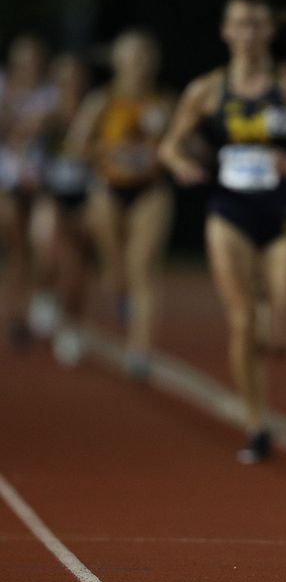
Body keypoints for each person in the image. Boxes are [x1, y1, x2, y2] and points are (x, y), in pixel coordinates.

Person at [159, 0, 286, 463]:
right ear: (226, 32)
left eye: (256, 24)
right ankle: (255, 421)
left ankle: (271, 326)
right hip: (230, 212)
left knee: (281, 335)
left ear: (268, 31)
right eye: (239, 24)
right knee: (242, 319)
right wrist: (181, 164)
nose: (248, 33)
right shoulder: (207, 90)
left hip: (283, 210)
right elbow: (169, 145)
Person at [67, 28, 175, 378]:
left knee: (141, 265)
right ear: (118, 61)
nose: (139, 64)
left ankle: (139, 351)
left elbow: (180, 146)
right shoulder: (102, 101)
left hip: (151, 190)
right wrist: (111, 151)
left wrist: (165, 154)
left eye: (146, 56)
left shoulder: (164, 103)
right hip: (108, 190)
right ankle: (118, 293)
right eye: (133, 57)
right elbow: (74, 147)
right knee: (115, 272)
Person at [0, 34, 57, 348]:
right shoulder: (3, 87)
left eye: (36, 61)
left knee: (46, 245)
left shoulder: (51, 92)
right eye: (23, 61)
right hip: (7, 185)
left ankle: (42, 296)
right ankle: (15, 317)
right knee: (18, 251)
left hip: (41, 185)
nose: (29, 68)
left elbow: (54, 121)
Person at [37, 52, 94, 365]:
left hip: (84, 196)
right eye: (64, 79)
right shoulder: (47, 116)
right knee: (47, 248)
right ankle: (44, 292)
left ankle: (72, 326)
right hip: (51, 194)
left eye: (76, 78)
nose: (70, 84)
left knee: (77, 267)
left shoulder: (94, 112)